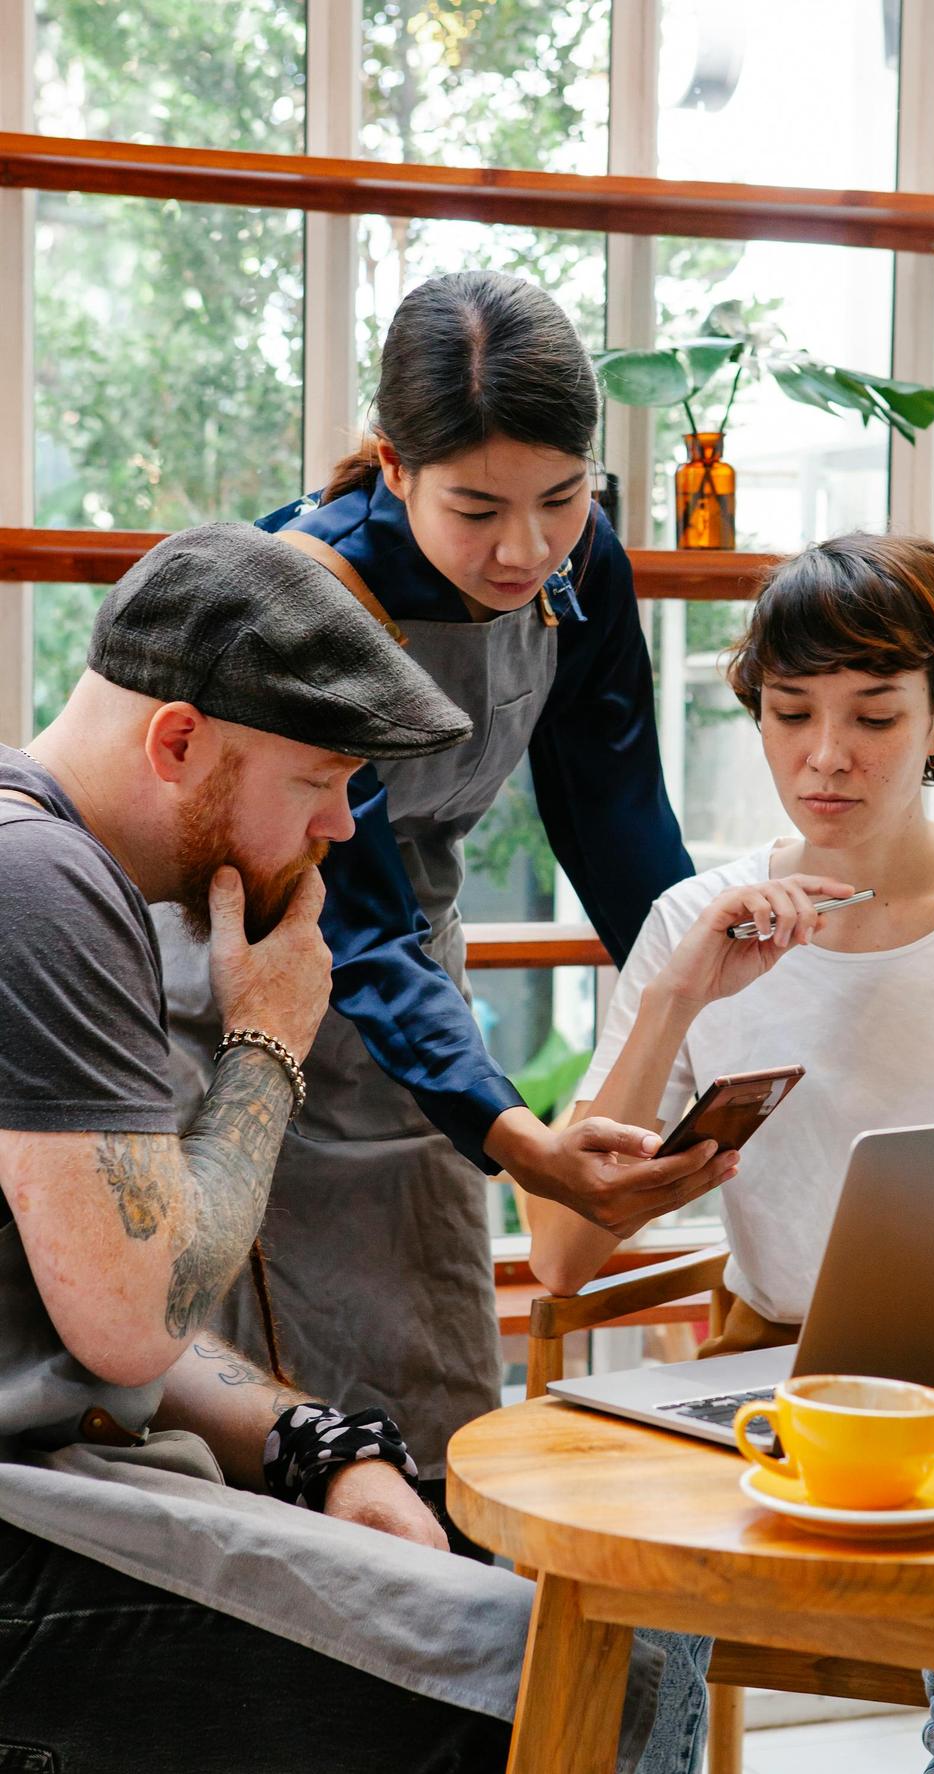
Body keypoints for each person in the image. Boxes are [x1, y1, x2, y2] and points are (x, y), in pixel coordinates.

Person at [0, 523, 707, 1773]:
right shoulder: (39, 886)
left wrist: (311, 1443)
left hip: (71, 1488)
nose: (340, 825)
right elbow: (128, 1319)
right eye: (320, 778)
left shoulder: (57, 870)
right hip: (26, 1542)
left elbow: (76, 1304)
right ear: (178, 743)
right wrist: (269, 1042)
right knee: (601, 1667)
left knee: (596, 1632)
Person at [527, 531, 934, 1771]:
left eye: (872, 717)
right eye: (790, 713)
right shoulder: (694, 921)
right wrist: (677, 994)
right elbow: (562, 1247)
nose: (822, 756)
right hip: (763, 1391)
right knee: (610, 1594)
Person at [155, 271, 730, 1508]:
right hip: (252, 973)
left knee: (434, 1384)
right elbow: (345, 909)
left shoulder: (582, 571)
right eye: (477, 507)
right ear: (393, 467)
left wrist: (710, 985)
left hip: (416, 986)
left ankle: (455, 1663)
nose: (524, 548)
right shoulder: (310, 589)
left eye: (561, 498)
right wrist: (517, 1134)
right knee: (260, 1397)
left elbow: (616, 813)